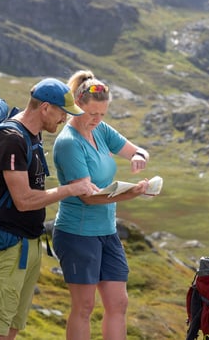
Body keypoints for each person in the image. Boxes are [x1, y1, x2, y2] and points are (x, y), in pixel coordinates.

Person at [0, 78, 100, 340]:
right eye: (62, 112)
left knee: (10, 327)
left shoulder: (32, 135)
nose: (64, 119)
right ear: (45, 108)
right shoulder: (11, 139)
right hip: (7, 246)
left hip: (27, 245)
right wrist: (70, 189)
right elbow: (23, 199)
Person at [51, 70, 153, 340]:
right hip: (77, 234)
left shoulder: (100, 130)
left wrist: (138, 157)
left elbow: (137, 149)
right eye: (92, 114)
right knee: (84, 307)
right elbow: (87, 196)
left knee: (118, 303)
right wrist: (129, 194)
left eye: (102, 114)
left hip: (107, 232)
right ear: (77, 106)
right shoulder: (69, 144)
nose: (97, 120)